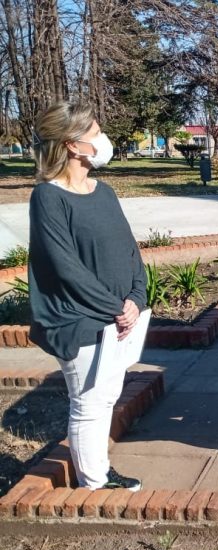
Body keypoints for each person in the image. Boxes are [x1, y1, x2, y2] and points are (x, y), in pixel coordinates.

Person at [28, 101, 146, 491]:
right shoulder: (48, 197)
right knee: (89, 402)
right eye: (95, 133)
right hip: (79, 321)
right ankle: (94, 484)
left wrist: (136, 298)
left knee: (108, 395)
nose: (103, 139)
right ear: (73, 144)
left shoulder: (104, 190)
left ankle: (98, 470)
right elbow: (65, 267)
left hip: (118, 318)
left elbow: (130, 250)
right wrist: (116, 307)